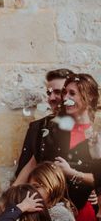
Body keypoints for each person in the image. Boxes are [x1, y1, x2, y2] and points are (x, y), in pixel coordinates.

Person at [37, 73, 101, 221]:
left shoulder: (97, 132)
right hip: (54, 208)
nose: (65, 99)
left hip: (85, 209)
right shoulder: (54, 130)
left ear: (89, 96)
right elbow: (36, 165)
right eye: (65, 93)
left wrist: (71, 172)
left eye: (72, 94)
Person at [15, 68, 74, 181]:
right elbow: (24, 173)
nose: (51, 98)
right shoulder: (37, 128)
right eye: (49, 93)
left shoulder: (88, 127)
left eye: (57, 92)